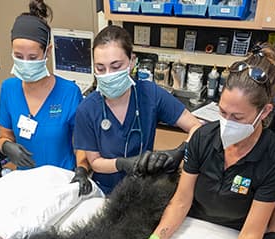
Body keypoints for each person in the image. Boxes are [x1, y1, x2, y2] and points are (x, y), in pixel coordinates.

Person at [120, 45, 275, 239]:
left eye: (238, 117)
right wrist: (158, 237)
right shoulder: (203, 137)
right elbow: (181, 200)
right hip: (192, 225)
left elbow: (251, 234)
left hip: (232, 236)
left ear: (264, 112)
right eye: (223, 112)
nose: (227, 122)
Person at [73, 26, 202, 195]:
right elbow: (95, 162)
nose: (108, 74)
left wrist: (181, 151)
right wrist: (121, 164)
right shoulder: (87, 108)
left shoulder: (150, 94)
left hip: (144, 191)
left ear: (132, 61)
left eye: (116, 66)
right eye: (100, 68)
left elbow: (196, 126)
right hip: (105, 193)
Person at [0, 1, 94, 195]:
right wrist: (7, 147)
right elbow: (4, 135)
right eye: (18, 56)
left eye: (32, 57)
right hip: (27, 183)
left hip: (61, 183)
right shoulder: (8, 89)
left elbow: (82, 144)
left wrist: (82, 170)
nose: (25, 63)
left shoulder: (69, 93)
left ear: (47, 51)